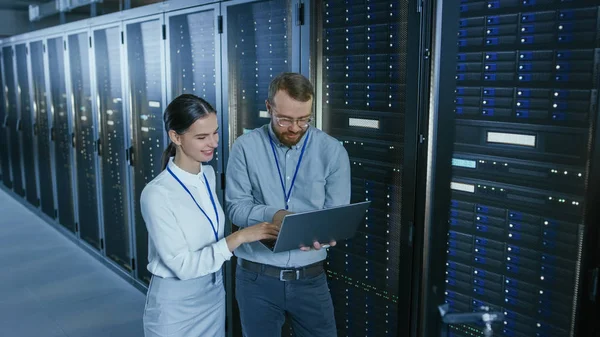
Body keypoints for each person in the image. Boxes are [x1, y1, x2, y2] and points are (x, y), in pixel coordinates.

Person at [140, 94, 280, 337]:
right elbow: (182, 266)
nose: (213, 143)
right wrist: (240, 237)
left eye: (215, 133)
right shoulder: (156, 194)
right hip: (175, 307)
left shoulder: (208, 175)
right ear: (176, 137)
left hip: (213, 294)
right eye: (202, 137)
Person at [226, 73, 351, 337]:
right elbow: (235, 208)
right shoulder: (245, 148)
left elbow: (335, 214)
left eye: (303, 120)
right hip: (256, 280)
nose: (294, 128)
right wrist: (275, 215)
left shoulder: (332, 151)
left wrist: (326, 235)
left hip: (310, 279)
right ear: (269, 108)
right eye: (284, 119)